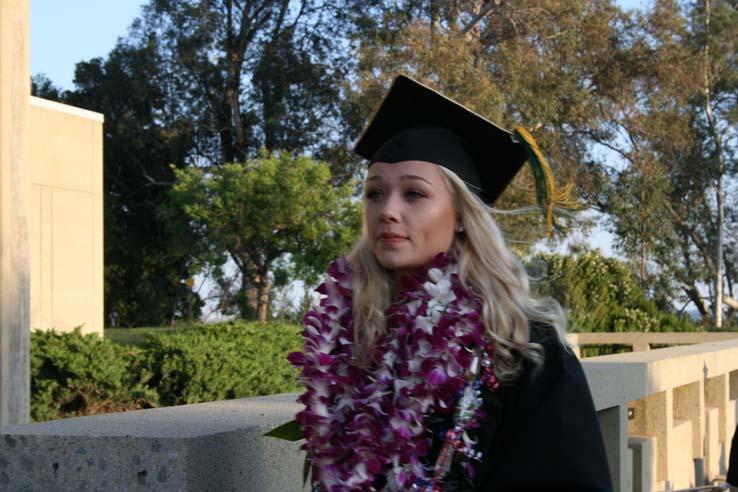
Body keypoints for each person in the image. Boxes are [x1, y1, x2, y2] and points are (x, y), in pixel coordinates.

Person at [288, 75, 612, 491]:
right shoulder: (351, 342)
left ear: (461, 215)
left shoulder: (523, 347)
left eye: (414, 195)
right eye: (375, 193)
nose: (387, 211)